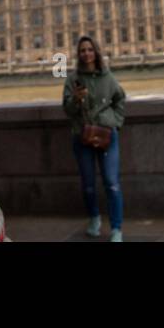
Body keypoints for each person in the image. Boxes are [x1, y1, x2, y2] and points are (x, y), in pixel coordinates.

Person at [62, 35, 127, 241]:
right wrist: (75, 99)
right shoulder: (73, 80)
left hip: (107, 134)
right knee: (88, 184)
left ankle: (116, 228)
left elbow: (120, 99)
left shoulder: (108, 77)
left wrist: (115, 121)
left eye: (90, 49)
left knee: (112, 183)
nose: (86, 53)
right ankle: (94, 218)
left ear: (96, 52)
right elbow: (67, 109)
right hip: (82, 136)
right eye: (82, 50)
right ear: (78, 54)